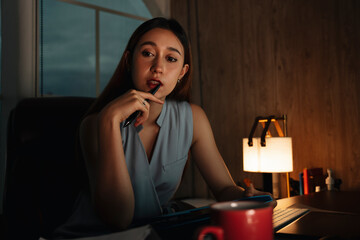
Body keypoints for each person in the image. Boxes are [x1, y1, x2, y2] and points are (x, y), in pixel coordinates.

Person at [53, 17, 269, 239]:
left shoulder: (193, 119)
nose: (158, 68)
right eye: (147, 53)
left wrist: (247, 197)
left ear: (182, 73)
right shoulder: (94, 124)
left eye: (171, 58)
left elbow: (223, 188)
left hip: (152, 234)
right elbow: (118, 218)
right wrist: (110, 119)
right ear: (129, 61)